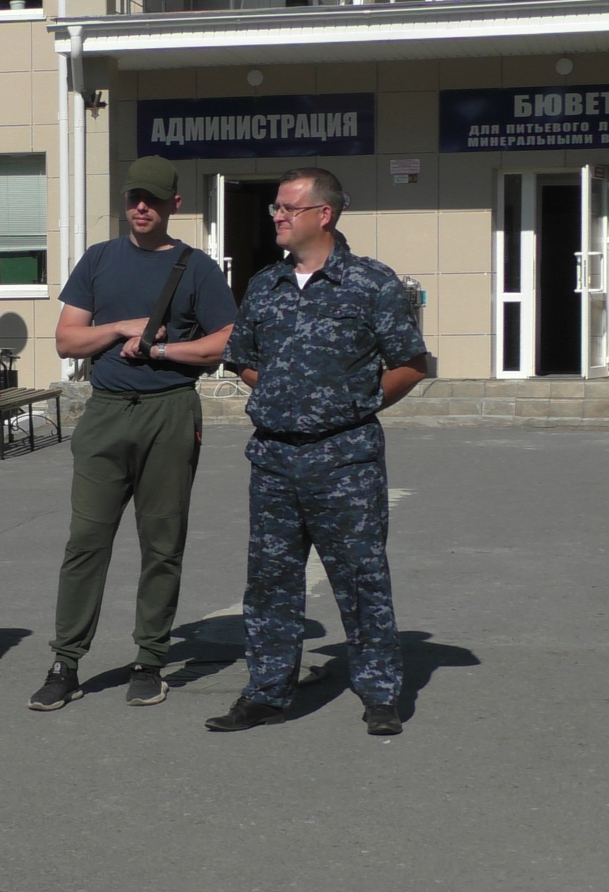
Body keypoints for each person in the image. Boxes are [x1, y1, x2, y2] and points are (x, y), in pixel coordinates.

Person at [204, 168, 427, 737]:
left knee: (361, 578)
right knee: (271, 582)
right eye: (275, 208)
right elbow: (241, 356)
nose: (275, 215)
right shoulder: (263, 285)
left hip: (344, 461)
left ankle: (380, 693)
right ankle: (267, 692)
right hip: (275, 460)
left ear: (323, 215)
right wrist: (283, 392)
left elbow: (409, 363)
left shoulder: (372, 284)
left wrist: (354, 403)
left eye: (287, 207)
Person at [28, 156, 237, 712]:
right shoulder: (99, 260)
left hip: (169, 411)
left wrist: (165, 349)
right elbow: (67, 341)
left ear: (175, 204)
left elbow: (226, 342)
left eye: (152, 198)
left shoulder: (197, 267)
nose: (140, 207)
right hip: (105, 413)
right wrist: (121, 326)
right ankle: (65, 662)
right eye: (132, 198)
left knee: (162, 544)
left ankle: (150, 658)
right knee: (85, 542)